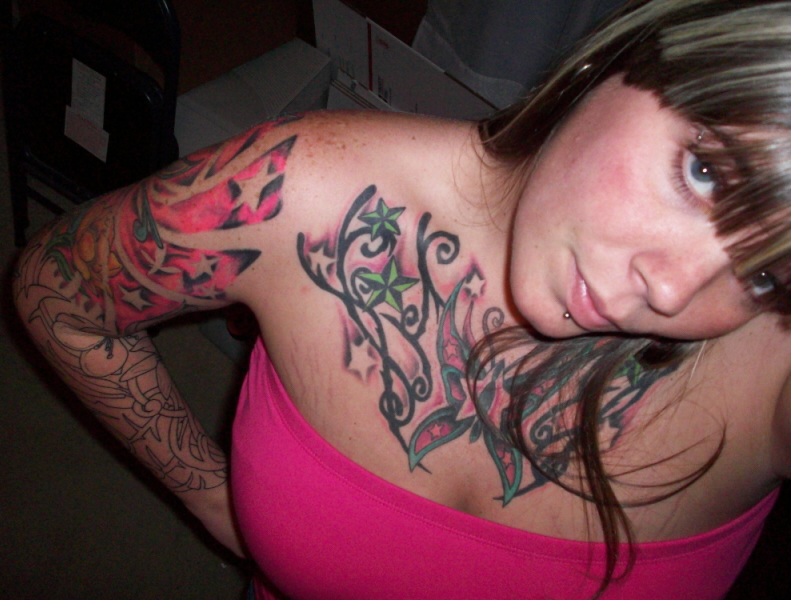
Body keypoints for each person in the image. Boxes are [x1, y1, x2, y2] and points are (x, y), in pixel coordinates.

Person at [12, 0, 791, 598]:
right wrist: (214, 499)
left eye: (769, 275)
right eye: (705, 173)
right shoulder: (299, 191)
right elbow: (59, 293)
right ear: (627, 52)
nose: (673, 288)